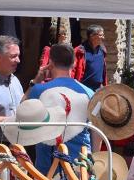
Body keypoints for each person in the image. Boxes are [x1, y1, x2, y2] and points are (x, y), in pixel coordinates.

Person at [24, 43, 95, 173]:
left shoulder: (38, 90)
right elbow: (97, 130)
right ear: (74, 63)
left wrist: (36, 81)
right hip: (80, 164)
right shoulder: (90, 93)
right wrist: (93, 156)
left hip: (47, 166)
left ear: (50, 62)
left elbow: (21, 111)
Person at [72, 24, 109, 91]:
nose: (103, 37)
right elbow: (72, 71)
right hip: (83, 90)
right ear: (92, 36)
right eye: (100, 35)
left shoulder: (102, 50)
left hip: (98, 89)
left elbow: (103, 70)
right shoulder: (79, 51)